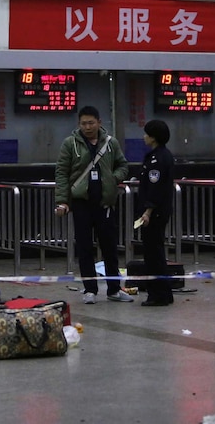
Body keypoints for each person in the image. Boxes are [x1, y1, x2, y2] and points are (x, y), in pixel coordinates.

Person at [55, 105, 134, 304]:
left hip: (105, 203)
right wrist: (62, 201)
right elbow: (62, 173)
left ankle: (114, 289)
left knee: (109, 247)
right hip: (81, 203)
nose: (87, 127)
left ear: (99, 122)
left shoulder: (110, 143)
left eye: (91, 123)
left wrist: (112, 178)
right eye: (83, 123)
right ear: (78, 124)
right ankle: (90, 289)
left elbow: (123, 165)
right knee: (84, 247)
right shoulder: (70, 144)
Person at [136, 119, 176, 306]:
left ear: (153, 137)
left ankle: (157, 294)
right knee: (156, 251)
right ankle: (165, 292)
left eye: (146, 134)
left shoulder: (156, 159)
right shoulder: (163, 155)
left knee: (153, 254)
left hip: (155, 213)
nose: (144, 137)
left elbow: (155, 187)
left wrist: (147, 212)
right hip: (160, 211)